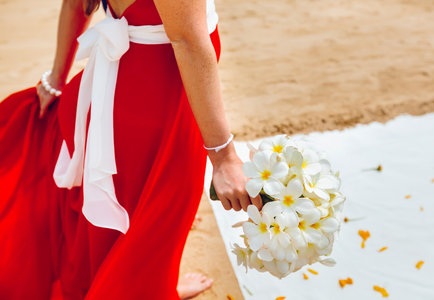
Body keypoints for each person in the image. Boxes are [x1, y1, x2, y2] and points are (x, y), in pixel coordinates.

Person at [0, 0, 262, 299]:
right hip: (165, 93)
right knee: (160, 208)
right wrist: (224, 157)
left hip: (119, 88)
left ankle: (153, 282)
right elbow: (187, 41)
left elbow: (76, 5)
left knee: (129, 200)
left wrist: (56, 78)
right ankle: (152, 289)